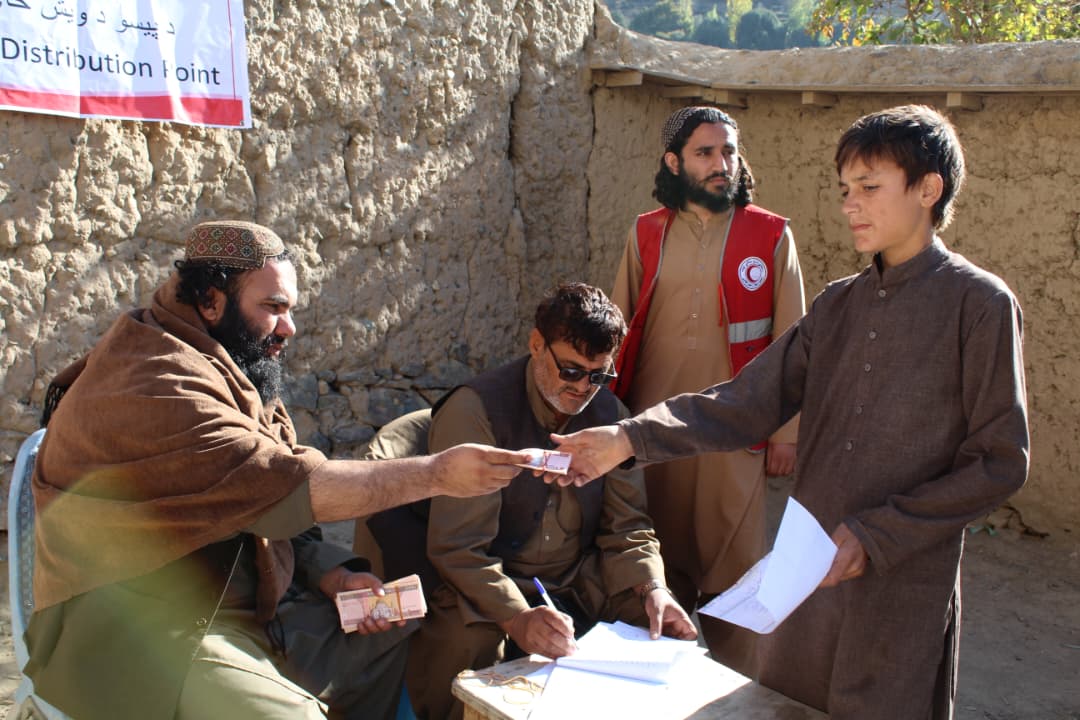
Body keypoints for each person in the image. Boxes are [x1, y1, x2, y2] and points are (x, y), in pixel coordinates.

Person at [550, 105, 1029, 719]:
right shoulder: (839, 306)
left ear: (928, 189)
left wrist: (878, 535)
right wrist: (627, 438)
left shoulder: (980, 305)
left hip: (903, 588)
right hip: (809, 581)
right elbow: (745, 400)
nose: (850, 205)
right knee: (788, 704)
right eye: (845, 190)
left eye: (869, 187)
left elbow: (998, 462)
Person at [24, 220, 530, 720]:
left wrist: (330, 573)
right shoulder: (158, 383)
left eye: (289, 309)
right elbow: (291, 488)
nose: (289, 328)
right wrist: (437, 474)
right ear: (210, 301)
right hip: (141, 624)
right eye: (273, 307)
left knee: (408, 643)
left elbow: (259, 503)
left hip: (247, 600)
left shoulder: (227, 367)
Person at [405, 282, 697, 720]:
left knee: (658, 621)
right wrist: (517, 617)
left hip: (577, 578)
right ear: (536, 345)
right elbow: (459, 549)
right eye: (572, 371)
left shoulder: (610, 417)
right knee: (467, 642)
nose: (583, 388)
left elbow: (628, 528)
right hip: (494, 577)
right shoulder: (478, 412)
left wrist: (652, 588)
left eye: (598, 376)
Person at [609, 105, 806, 675]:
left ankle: (732, 685)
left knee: (736, 569)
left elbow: (794, 342)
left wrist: (786, 433)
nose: (723, 164)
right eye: (705, 153)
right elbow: (616, 328)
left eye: (729, 152)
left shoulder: (771, 235)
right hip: (652, 431)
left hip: (735, 435)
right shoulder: (646, 232)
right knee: (654, 557)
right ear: (674, 162)